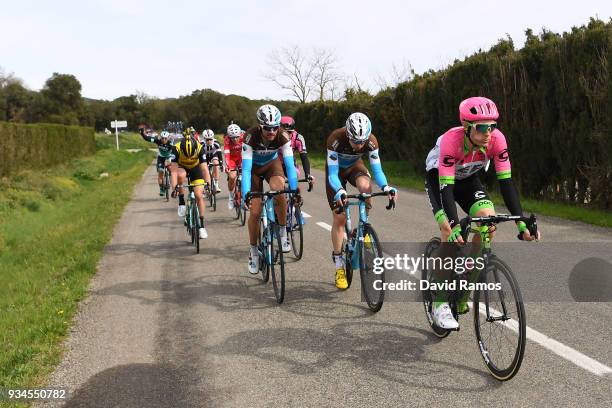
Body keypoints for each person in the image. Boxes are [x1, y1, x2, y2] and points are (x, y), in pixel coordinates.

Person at [424, 96, 541, 330]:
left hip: (468, 180)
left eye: (492, 126)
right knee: (449, 232)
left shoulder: (497, 140)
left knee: (487, 221)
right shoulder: (451, 141)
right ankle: (438, 304)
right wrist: (455, 224)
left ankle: (463, 289)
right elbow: (446, 188)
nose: (489, 132)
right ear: (467, 127)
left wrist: (521, 223)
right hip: (441, 181)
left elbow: (506, 183)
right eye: (482, 127)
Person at [326, 112, 397, 289]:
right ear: (348, 135)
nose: (359, 145)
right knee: (340, 219)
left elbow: (377, 170)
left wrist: (386, 187)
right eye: (355, 141)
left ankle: (363, 226)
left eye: (362, 142)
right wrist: (340, 190)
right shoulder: (335, 139)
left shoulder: (371, 140)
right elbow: (333, 174)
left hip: (354, 166)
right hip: (335, 173)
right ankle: (339, 265)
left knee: (366, 188)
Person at [242, 104, 299, 274]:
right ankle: (253, 252)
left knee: (280, 190)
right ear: (260, 126)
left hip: (271, 165)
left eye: (275, 127)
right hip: (252, 169)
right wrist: (246, 194)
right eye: (268, 128)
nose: (272, 131)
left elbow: (289, 165)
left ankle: (282, 232)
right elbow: (245, 169)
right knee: (254, 212)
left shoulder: (283, 135)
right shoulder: (250, 136)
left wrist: (295, 190)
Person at [169, 135, 211, 239]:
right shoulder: (176, 148)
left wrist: (209, 184)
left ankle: (201, 226)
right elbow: (173, 172)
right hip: (181, 167)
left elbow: (205, 169)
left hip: (195, 168)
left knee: (198, 195)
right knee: (180, 175)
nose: (188, 157)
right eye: (186, 155)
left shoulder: (200, 148)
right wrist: (174, 188)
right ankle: (182, 201)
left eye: (190, 155)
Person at [138, 127, 173, 196]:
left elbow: (176, 152)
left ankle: (170, 179)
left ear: (168, 138)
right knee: (160, 172)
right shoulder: (157, 140)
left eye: (165, 138)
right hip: (161, 157)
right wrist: (142, 133)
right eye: (162, 138)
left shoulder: (170, 143)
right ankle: (162, 189)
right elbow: (147, 138)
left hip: (169, 157)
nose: (163, 140)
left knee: (170, 168)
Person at [279, 116, 314, 184]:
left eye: (290, 132)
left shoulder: (298, 138)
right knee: (278, 182)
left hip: (290, 164)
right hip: (276, 164)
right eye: (285, 132)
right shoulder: (273, 137)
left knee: (295, 176)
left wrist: (307, 174)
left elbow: (304, 157)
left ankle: (292, 193)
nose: (287, 135)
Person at [224, 124, 244, 210]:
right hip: (231, 158)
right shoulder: (227, 140)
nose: (235, 139)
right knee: (232, 177)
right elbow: (227, 154)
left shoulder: (244, 137)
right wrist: (228, 165)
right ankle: (231, 197)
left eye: (237, 137)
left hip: (241, 157)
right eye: (233, 138)